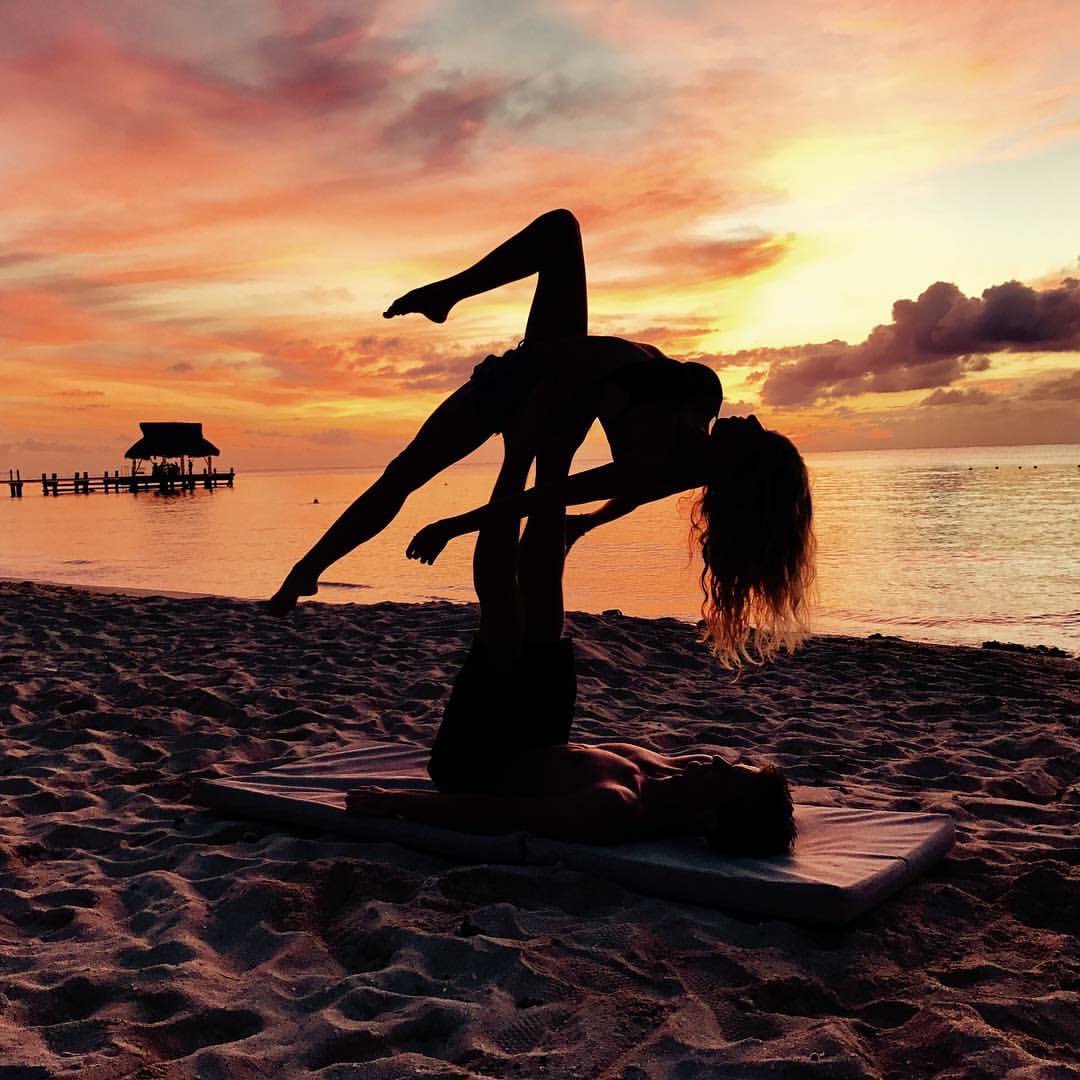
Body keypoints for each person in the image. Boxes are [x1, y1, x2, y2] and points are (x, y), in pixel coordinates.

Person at [270, 209, 814, 665]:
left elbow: (553, 496)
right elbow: (626, 495)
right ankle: (448, 295)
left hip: (519, 390)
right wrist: (590, 524)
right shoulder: (703, 407)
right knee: (561, 228)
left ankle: (307, 569)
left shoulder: (660, 460)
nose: (756, 421)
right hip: (549, 356)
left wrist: (452, 526)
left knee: (407, 475)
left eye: (760, 438)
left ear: (741, 469)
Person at [345, 416, 798, 856]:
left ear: (708, 818)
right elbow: (639, 486)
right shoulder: (689, 769)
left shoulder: (614, 809)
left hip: (477, 761)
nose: (718, 761)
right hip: (542, 735)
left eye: (729, 775)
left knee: (503, 619)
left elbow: (499, 815)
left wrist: (395, 803)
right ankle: (553, 454)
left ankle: (519, 453)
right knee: (545, 606)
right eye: (735, 764)